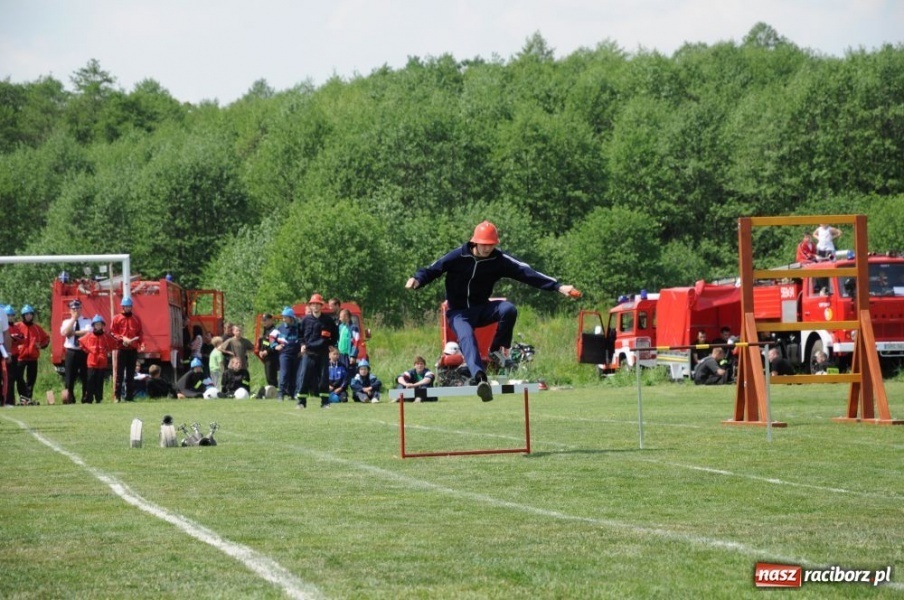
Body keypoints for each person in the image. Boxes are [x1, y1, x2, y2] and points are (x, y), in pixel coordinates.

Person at [405, 220, 578, 402]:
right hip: (459, 313)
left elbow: (526, 272)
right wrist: (417, 280)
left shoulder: (499, 260)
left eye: (491, 245)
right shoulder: (457, 256)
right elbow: (433, 269)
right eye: (484, 245)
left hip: (482, 309)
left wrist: (558, 287)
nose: (488, 249)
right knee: (467, 338)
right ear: (475, 242)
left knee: (508, 309)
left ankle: (496, 351)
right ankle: (481, 379)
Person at [295, 294, 339, 409]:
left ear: (321, 305)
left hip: (323, 353)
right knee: (304, 377)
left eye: (317, 304)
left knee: (324, 378)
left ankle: (325, 402)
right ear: (310, 306)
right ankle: (301, 402)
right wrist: (302, 345)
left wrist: (331, 345)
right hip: (309, 354)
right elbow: (299, 335)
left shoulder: (328, 320)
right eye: (313, 304)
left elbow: (335, 334)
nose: (315, 306)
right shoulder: (305, 320)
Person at [110, 297, 144, 402]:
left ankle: (130, 396)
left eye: (130, 306)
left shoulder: (136, 319)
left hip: (132, 349)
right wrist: (122, 338)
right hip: (121, 349)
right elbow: (112, 333)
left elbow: (140, 334)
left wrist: (141, 344)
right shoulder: (116, 318)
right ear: (123, 307)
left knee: (130, 374)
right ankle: (117, 397)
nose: (128, 308)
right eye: (126, 306)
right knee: (119, 374)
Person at [14, 305, 50, 404]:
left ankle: (28, 399)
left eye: (30, 314)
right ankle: (23, 398)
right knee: (19, 378)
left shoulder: (37, 328)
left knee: (31, 380)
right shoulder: (18, 326)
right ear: (23, 316)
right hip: (20, 357)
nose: (29, 316)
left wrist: (41, 346)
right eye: (26, 314)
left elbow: (46, 338)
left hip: (33, 358)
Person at [78, 314, 116, 403]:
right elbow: (81, 342)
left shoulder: (106, 336)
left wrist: (107, 351)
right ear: (94, 325)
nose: (98, 326)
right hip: (92, 361)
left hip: (102, 362)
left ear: (102, 325)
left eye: (100, 324)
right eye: (96, 324)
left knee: (100, 381)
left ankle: (99, 398)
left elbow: (113, 344)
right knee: (90, 380)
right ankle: (89, 398)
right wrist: (88, 350)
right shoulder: (89, 335)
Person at [61, 300, 92, 404]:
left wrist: (73, 332)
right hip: (71, 351)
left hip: (83, 351)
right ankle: (70, 398)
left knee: (85, 376)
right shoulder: (66, 322)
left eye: (77, 308)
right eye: (73, 309)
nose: (76, 310)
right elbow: (65, 332)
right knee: (70, 377)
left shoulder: (87, 320)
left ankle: (86, 397)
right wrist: (73, 319)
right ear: (70, 310)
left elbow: (88, 332)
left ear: (81, 309)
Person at [273, 307, 302, 401]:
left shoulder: (299, 327)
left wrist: (302, 350)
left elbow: (304, 338)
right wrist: (275, 346)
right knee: (284, 374)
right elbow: (271, 337)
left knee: (295, 375)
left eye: (285, 317)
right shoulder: (280, 328)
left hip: (297, 355)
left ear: (291, 318)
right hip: (285, 354)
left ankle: (293, 394)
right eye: (283, 317)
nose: (283, 319)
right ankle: (281, 394)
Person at [254, 313, 279, 388]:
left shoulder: (274, 331)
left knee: (271, 377)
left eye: (265, 320)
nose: (263, 322)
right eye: (263, 320)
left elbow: (275, 345)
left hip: (272, 357)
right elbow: (265, 343)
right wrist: (261, 350)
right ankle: (272, 391)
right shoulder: (266, 330)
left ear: (271, 320)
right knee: (268, 377)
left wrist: (267, 351)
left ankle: (275, 392)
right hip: (266, 357)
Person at [336, 307, 360, 379]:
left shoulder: (353, 328)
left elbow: (356, 341)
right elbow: (338, 339)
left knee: (350, 372)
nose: (339, 319)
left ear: (346, 317)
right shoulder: (340, 326)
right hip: (340, 354)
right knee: (341, 371)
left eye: (341, 317)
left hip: (348, 355)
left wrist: (353, 355)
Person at [4, 305, 20, 406]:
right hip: (4, 355)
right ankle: (5, 400)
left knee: (11, 379)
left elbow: (21, 338)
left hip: (13, 356)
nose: (10, 317)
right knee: (6, 378)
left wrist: (14, 338)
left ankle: (10, 400)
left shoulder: (16, 327)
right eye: (8, 315)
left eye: (12, 315)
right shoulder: (4, 327)